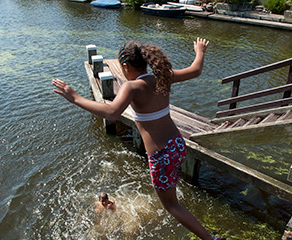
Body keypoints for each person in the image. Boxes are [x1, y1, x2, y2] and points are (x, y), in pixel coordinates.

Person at [53, 38, 222, 240]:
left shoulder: (131, 87)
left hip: (161, 155)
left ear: (125, 66)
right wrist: (200, 51)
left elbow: (111, 112)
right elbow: (195, 70)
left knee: (171, 205)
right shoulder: (162, 77)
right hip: (177, 145)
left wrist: (76, 98)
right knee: (171, 193)